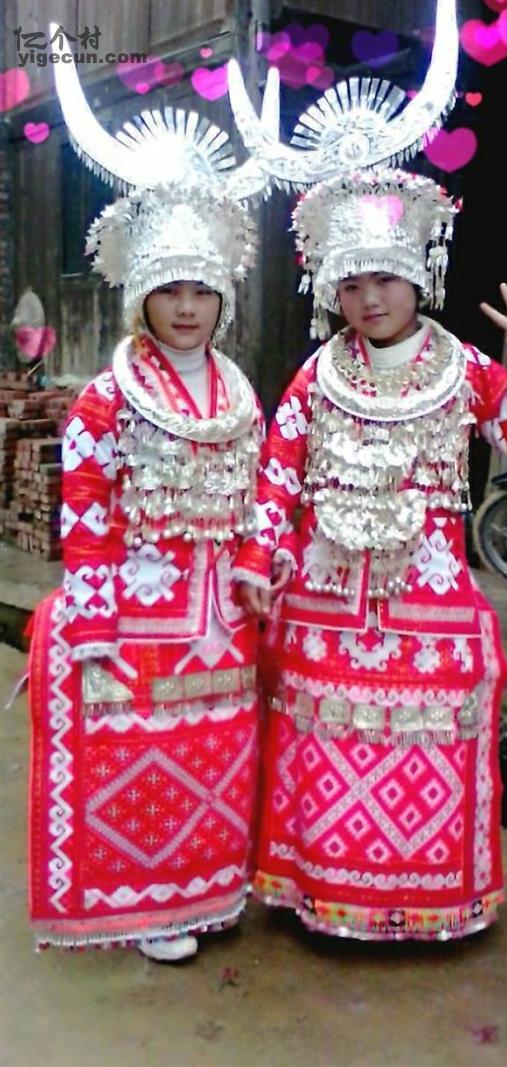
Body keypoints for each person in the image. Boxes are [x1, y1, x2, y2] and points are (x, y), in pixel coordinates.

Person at [229, 6, 507, 940]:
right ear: (331, 289)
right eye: (351, 283)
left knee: (434, 737)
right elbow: (278, 475)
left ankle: (425, 903)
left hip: (429, 599)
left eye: (383, 278)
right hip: (326, 603)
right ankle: (326, 893)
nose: (369, 297)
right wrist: (261, 559)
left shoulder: (464, 368)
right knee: (325, 750)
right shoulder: (317, 375)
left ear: (419, 275)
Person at [27, 51, 269, 960]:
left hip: (223, 612)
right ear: (141, 295)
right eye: (169, 290)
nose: (186, 308)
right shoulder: (107, 397)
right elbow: (85, 506)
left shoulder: (239, 390)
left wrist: (259, 564)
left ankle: (209, 891)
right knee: (143, 757)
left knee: (218, 754)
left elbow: (256, 494)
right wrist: (93, 618)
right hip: (139, 612)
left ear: (224, 298)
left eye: (202, 290)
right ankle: (152, 904)